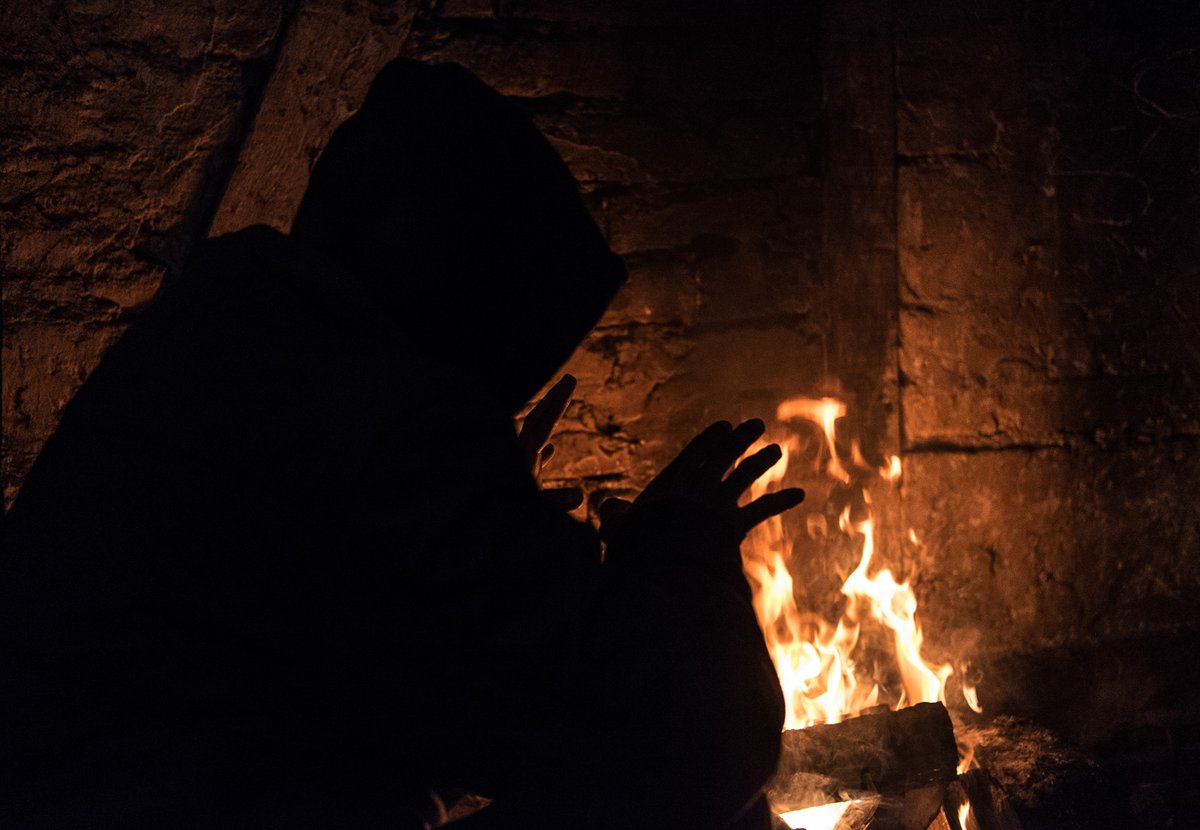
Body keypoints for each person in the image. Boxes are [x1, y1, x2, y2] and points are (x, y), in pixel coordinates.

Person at [1, 58, 804, 828]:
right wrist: (679, 548)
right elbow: (699, 745)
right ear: (465, 289)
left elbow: (387, 680)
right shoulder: (375, 431)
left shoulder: (222, 343)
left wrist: (488, 523)